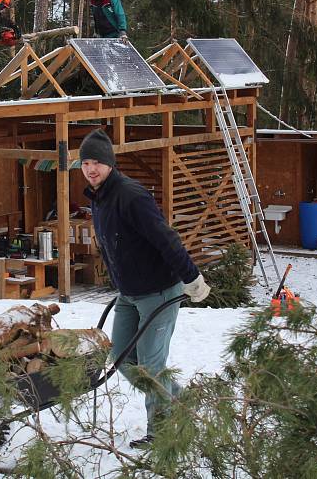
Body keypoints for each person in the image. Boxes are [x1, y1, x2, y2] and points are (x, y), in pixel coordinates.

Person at [79, 128, 210, 449]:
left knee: (151, 366)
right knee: (123, 356)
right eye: (85, 163)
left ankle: (162, 432)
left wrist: (191, 278)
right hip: (129, 293)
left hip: (159, 292)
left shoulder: (131, 195)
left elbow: (165, 237)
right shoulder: (100, 198)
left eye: (97, 162)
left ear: (109, 163)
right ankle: (179, 401)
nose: (91, 168)